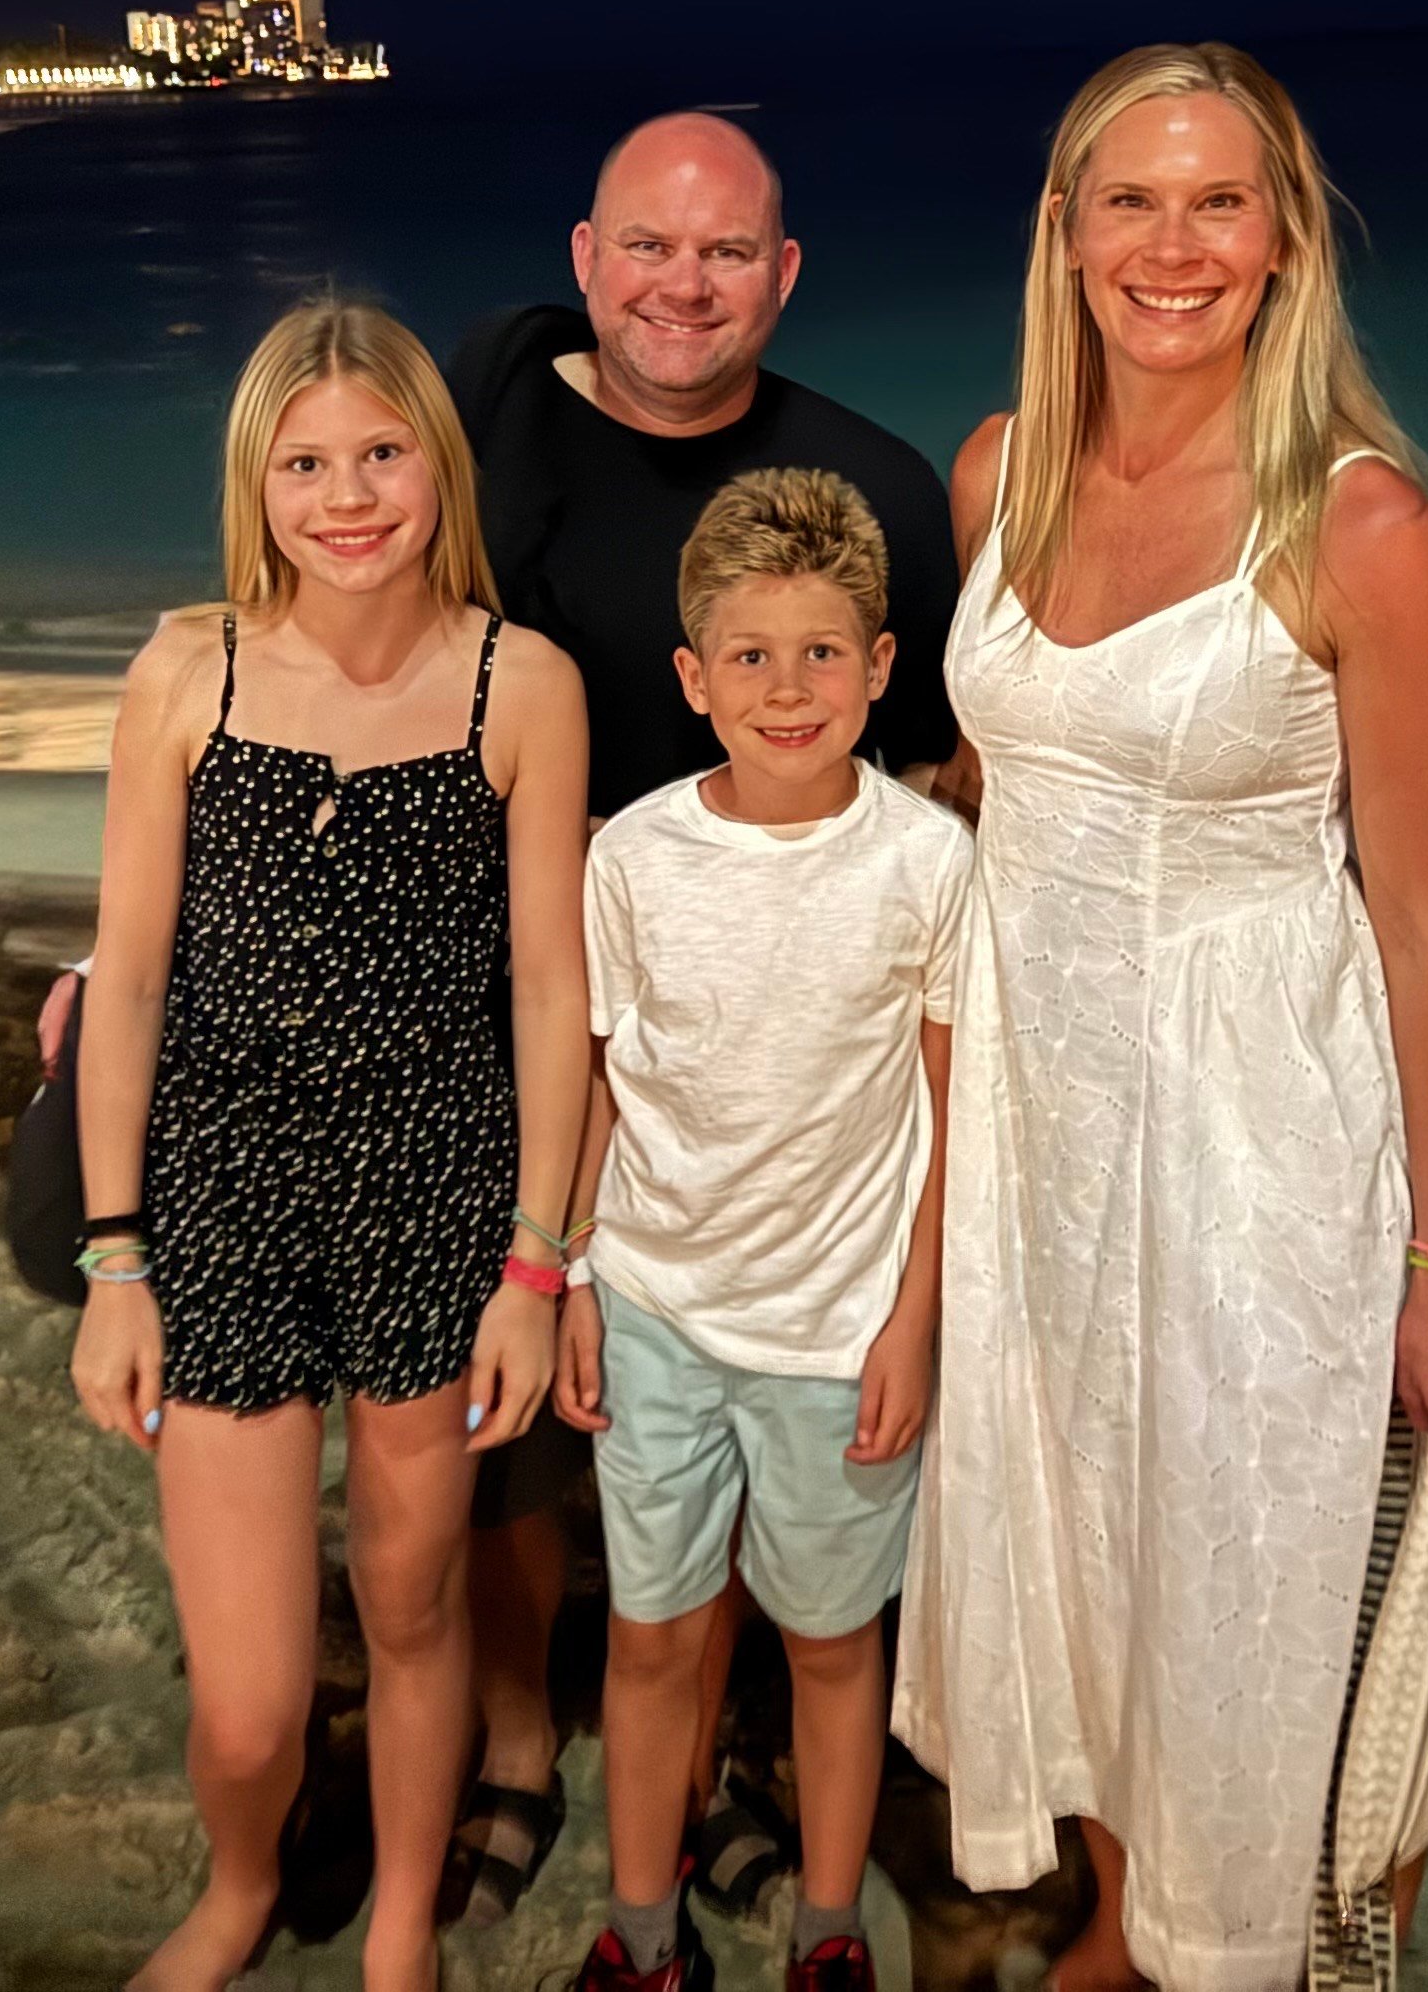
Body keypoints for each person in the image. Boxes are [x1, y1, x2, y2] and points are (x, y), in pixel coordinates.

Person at [899, 43, 1428, 1992]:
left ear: (1284, 240)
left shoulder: (1362, 530)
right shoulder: (998, 470)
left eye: (1219, 201)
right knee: (1080, 1538)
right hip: (1037, 1131)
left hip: (1258, 1137)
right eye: (1132, 201)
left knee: (1254, 1561)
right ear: (1067, 234)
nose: (1174, 244)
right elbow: (1006, 790)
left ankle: (1239, 1941)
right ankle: (1128, 1913)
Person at [436, 109, 963, 1928]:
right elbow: (314, 616)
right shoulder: (483, 404)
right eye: (647, 247)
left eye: (726, 252)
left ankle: (745, 1775)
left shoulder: (877, 492)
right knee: (502, 1417)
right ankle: (521, 1741)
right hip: (503, 993)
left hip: (788, 1045)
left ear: (784, 275)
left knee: (770, 1498)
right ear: (583, 260)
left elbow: (959, 766)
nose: (684, 284)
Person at [66, 295, 593, 1992]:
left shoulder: (523, 685)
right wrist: (112, 1259)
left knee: (418, 1604)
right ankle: (238, 1883)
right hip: (218, 1201)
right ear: (258, 481)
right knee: (250, 1700)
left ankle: (393, 1932)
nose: (348, 497)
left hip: (438, 1205)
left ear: (438, 465)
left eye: (381, 455)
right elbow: (130, 975)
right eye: (307, 463)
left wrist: (534, 1264)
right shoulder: (186, 673)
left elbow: (545, 989)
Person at [555, 467, 975, 1992]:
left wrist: (912, 1325)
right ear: (693, 677)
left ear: (880, 667)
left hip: (837, 1336)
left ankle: (829, 1925)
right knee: (655, 1634)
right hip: (659, 1309)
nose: (787, 689)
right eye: (750, 655)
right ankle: (642, 1925)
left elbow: (951, 1119)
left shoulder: (931, 864)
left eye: (822, 654)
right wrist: (581, 1276)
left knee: (828, 1642)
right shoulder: (636, 858)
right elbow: (603, 1081)